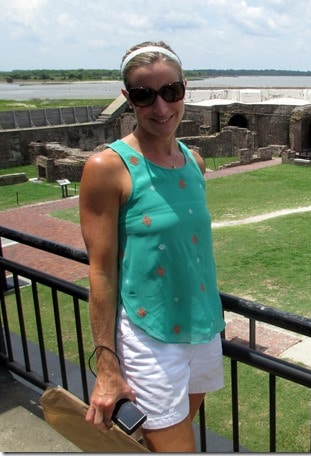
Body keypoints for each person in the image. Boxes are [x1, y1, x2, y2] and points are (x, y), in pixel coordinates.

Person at [79, 41, 226, 452]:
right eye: (145, 95)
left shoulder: (193, 161)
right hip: (150, 336)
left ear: (184, 89)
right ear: (128, 98)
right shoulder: (107, 168)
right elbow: (101, 271)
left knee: (157, 444)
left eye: (171, 92)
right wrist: (107, 366)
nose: (161, 108)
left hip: (202, 328)